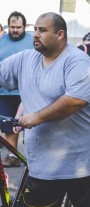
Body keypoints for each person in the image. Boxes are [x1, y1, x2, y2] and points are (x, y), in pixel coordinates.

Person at [0, 12, 90, 207]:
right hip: (45, 152)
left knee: (87, 206)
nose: (36, 34)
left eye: (42, 30)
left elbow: (73, 100)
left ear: (60, 34)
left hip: (84, 154)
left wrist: (36, 117)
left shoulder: (78, 62)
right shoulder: (25, 59)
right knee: (40, 205)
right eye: (35, 29)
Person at [0, 11, 33, 167]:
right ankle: (13, 156)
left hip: (28, 91)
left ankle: (33, 159)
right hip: (5, 93)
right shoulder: (1, 41)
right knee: (9, 126)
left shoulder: (33, 41)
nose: (15, 30)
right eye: (12, 27)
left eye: (18, 27)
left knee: (31, 125)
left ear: (24, 26)